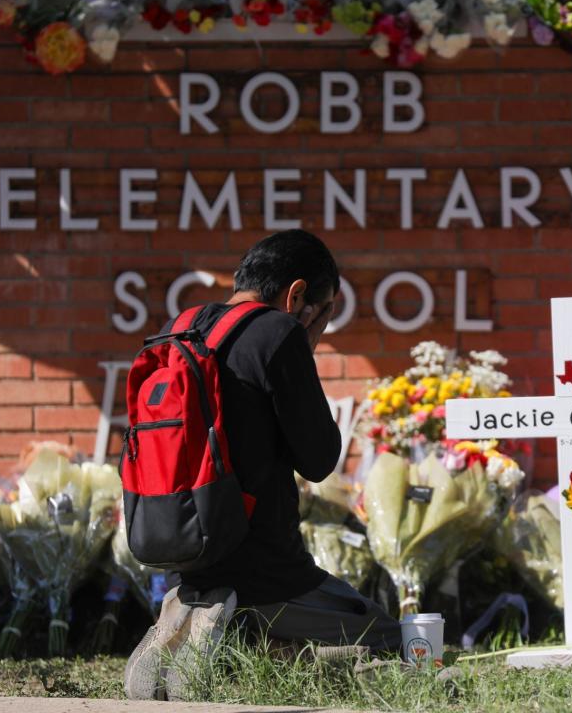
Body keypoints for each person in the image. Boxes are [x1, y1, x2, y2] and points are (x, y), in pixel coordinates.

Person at [125, 230, 401, 701]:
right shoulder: (279, 332)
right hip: (269, 574)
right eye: (326, 313)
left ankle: (196, 617)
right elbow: (319, 460)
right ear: (297, 296)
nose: (321, 329)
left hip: (188, 564)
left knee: (232, 600)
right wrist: (299, 356)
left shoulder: (183, 328)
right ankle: (241, 638)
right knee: (386, 634)